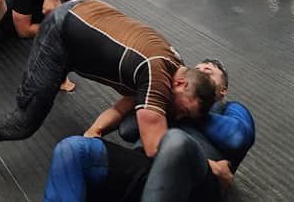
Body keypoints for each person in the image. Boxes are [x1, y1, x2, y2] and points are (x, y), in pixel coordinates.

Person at [0, 0, 218, 188]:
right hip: (62, 32)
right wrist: (209, 168)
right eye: (184, 109)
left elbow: (126, 104)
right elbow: (157, 150)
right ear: (180, 85)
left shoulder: (173, 64)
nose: (178, 114)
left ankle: (58, 75)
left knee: (128, 116)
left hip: (87, 20)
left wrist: (95, 130)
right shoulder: (156, 72)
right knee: (22, 123)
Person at [42, 59, 255, 202]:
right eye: (199, 70)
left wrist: (192, 109)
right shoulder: (168, 99)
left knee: (175, 141)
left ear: (223, 90)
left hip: (196, 181)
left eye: (211, 72)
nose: (204, 70)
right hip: (143, 168)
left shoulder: (231, 108)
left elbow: (237, 138)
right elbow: (128, 129)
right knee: (72, 149)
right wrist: (164, 101)